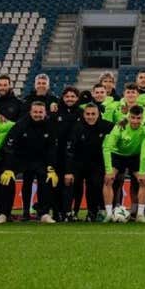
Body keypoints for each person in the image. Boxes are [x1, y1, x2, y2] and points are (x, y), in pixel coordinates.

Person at [2, 100, 61, 223]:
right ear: (30, 112)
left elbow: (52, 149)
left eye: (40, 112)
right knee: (8, 179)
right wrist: (8, 167)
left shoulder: (50, 126)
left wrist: (51, 167)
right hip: (21, 159)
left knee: (47, 179)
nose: (38, 114)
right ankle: (6, 213)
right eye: (35, 112)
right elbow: (9, 146)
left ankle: (44, 213)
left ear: (45, 113)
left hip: (41, 160)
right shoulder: (20, 124)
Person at [101, 105, 145, 222]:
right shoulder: (120, 125)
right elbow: (107, 148)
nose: (135, 121)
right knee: (108, 179)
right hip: (117, 154)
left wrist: (143, 172)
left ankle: (140, 215)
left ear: (142, 118)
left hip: (134, 156)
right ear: (128, 117)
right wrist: (109, 171)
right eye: (133, 118)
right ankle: (109, 215)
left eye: (138, 118)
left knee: (144, 180)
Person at [65, 103, 114, 221]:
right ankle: (71, 213)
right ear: (84, 114)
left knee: (95, 186)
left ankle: (92, 213)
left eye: (93, 114)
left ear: (98, 115)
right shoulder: (77, 127)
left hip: (97, 164)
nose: (90, 116)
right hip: (78, 163)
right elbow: (69, 150)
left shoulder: (107, 126)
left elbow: (122, 130)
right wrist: (68, 171)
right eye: (88, 114)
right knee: (75, 186)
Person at [47, 87, 82, 221]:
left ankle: (70, 212)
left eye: (73, 96)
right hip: (58, 155)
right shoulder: (56, 111)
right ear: (62, 97)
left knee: (73, 185)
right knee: (57, 185)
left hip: (76, 155)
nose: (70, 99)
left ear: (77, 98)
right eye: (67, 96)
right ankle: (57, 212)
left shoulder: (81, 112)